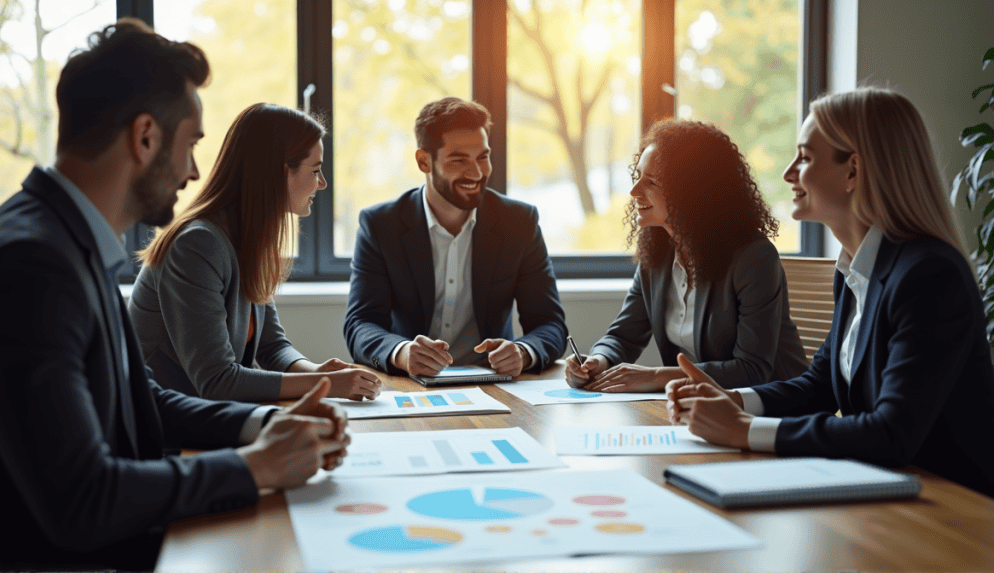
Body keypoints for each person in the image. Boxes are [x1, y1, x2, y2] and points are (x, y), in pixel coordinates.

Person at [0, 19, 349, 570]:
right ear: (145, 137)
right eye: (191, 144)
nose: (196, 171)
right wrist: (255, 468)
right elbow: (82, 499)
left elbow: (141, 397)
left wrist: (265, 427)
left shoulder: (69, 240)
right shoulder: (29, 264)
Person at [665, 87, 994, 498]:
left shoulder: (930, 275)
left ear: (853, 171)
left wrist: (744, 430)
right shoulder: (856, 269)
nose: (788, 173)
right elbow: (818, 386)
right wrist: (733, 400)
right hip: (888, 498)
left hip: (953, 514)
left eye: (804, 157)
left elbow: (891, 432)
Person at [129, 103, 381, 402]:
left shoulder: (247, 240)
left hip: (207, 418)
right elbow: (217, 381)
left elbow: (271, 346)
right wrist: (323, 384)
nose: (322, 183)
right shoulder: (196, 246)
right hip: (162, 428)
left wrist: (316, 372)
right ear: (277, 173)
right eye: (315, 170)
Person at [566, 120, 808, 392]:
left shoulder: (753, 258)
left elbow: (752, 370)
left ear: (691, 190)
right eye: (637, 177)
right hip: (697, 406)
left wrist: (656, 376)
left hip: (770, 409)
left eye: (651, 182)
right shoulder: (657, 254)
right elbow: (624, 336)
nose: (634, 192)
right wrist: (598, 361)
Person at [344, 97, 567, 377]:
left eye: (482, 157)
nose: (476, 173)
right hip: (411, 385)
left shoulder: (519, 223)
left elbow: (550, 323)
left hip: (493, 385)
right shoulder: (380, 225)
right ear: (424, 161)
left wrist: (523, 351)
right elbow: (360, 324)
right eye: (459, 159)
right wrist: (401, 353)